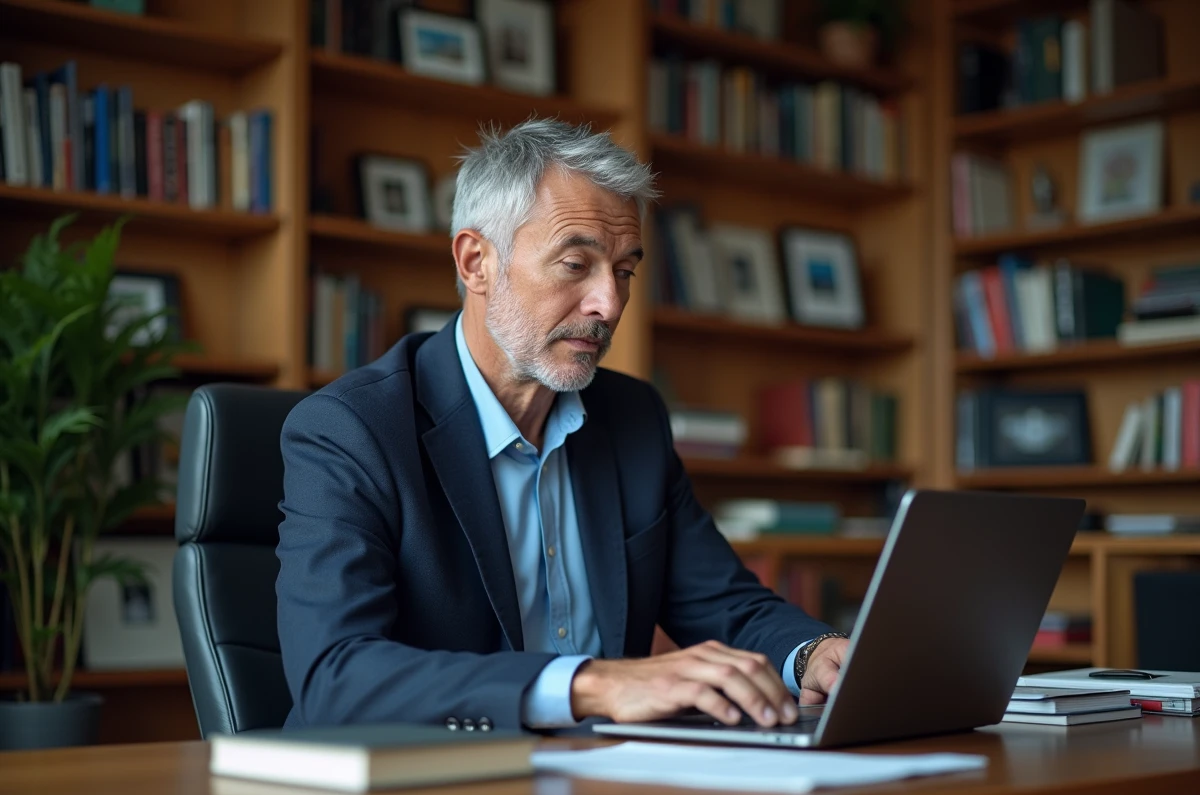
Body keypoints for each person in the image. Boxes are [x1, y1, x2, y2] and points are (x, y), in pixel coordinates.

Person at [276, 119, 849, 733]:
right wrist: (590, 685)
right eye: (576, 264)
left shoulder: (632, 418)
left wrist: (815, 655)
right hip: (439, 769)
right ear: (476, 262)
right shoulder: (350, 430)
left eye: (624, 271)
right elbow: (335, 675)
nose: (610, 304)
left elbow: (722, 601)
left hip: (605, 767)